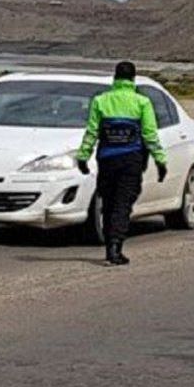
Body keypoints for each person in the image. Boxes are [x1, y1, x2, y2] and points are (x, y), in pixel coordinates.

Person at [76, 61, 167, 266]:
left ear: (115, 78)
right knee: (123, 203)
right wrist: (160, 160)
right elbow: (150, 135)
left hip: (107, 159)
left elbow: (92, 132)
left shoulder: (100, 101)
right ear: (133, 79)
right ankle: (115, 246)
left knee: (108, 202)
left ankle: (110, 245)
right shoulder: (142, 102)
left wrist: (83, 156)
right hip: (131, 160)